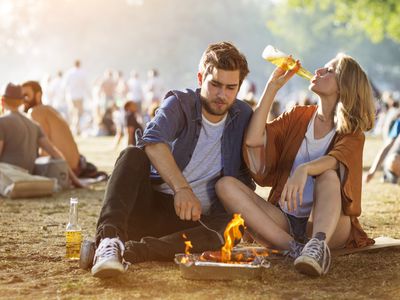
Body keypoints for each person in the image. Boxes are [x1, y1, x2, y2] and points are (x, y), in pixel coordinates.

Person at [91, 41, 254, 278]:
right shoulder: (180, 103)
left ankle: (136, 251)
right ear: (200, 78)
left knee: (234, 225)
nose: (222, 95)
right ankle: (108, 242)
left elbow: (249, 172)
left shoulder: (243, 115)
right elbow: (153, 141)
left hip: (196, 223)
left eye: (231, 87)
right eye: (215, 84)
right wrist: (182, 188)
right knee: (132, 155)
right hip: (151, 205)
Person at [216, 53, 376, 277]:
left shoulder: (353, 133)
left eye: (329, 71)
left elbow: (334, 160)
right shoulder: (298, 115)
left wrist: (304, 169)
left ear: (344, 86)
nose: (319, 71)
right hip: (285, 222)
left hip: (329, 226)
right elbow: (253, 140)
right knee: (225, 185)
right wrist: (272, 87)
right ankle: (295, 249)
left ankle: (317, 247)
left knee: (328, 176)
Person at [0, 83, 82, 188]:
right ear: (21, 101)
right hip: (27, 175)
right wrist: (75, 180)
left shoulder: (2, 122)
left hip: (7, 176)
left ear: (2, 101)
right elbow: (55, 153)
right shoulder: (34, 125)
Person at [365, 118, 400, 184]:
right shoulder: (399, 123)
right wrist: (372, 171)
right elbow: (386, 148)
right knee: (394, 160)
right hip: (395, 162)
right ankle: (390, 177)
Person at [63, 60, 90, 135]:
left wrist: (64, 95)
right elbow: (86, 85)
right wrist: (89, 95)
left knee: (73, 112)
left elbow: (65, 84)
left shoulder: (69, 73)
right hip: (80, 96)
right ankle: (76, 128)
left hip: (71, 96)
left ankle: (74, 128)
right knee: (78, 113)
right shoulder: (83, 73)